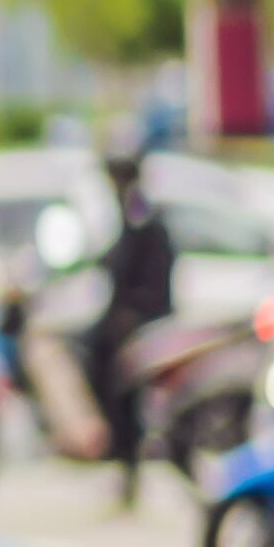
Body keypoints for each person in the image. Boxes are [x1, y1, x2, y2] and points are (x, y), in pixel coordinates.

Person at [78, 135, 177, 510]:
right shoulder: (121, 217)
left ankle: (128, 469)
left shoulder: (145, 220)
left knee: (127, 403)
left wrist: (134, 317)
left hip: (139, 330)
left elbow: (155, 281)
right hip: (119, 329)